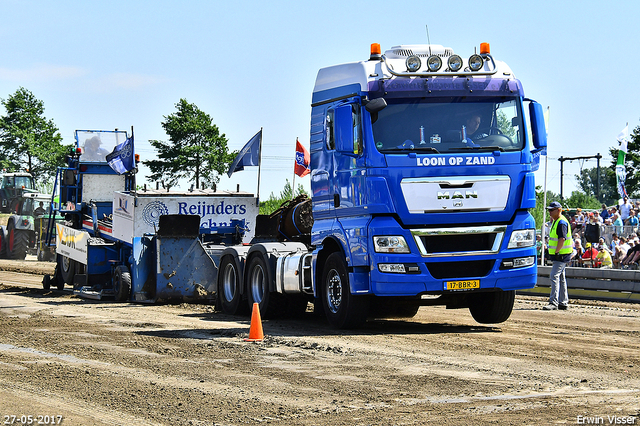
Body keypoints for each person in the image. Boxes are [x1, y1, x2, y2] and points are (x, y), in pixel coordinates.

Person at [544, 201, 572, 310]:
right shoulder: (558, 221)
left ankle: (554, 302)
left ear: (559, 210)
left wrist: (556, 251)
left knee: (554, 276)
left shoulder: (561, 222)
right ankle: (563, 302)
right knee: (561, 277)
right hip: (561, 255)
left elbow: (562, 239)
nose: (549, 212)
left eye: (552, 210)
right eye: (549, 210)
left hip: (561, 255)